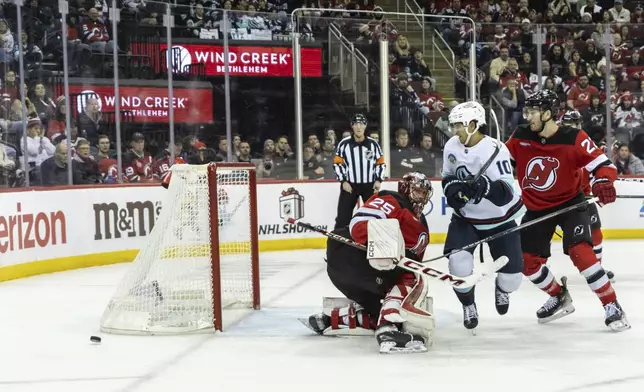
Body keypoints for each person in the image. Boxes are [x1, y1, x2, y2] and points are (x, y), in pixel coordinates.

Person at [506, 89, 629, 332]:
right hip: (536, 208)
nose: (527, 116)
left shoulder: (573, 137)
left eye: (533, 111)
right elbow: (501, 163)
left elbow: (603, 165)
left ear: (548, 114)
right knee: (527, 262)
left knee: (581, 252)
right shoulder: (520, 135)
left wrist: (603, 181)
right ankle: (558, 295)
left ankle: (612, 305)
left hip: (571, 203)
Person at [303, 172, 434, 354]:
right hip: (355, 258)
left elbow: (412, 261)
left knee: (389, 310)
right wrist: (383, 246)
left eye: (424, 194)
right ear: (406, 190)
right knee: (414, 279)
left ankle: (332, 320)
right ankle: (387, 331)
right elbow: (359, 224)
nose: (422, 198)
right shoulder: (393, 200)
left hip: (365, 277)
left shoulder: (422, 225)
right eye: (418, 192)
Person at [441, 101, 526, 331]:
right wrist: (451, 189)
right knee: (458, 264)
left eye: (458, 125)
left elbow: (507, 194)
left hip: (501, 219)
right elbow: (448, 176)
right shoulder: (451, 146)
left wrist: (487, 187)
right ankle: (468, 305)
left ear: (473, 124)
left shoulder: (497, 150)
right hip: (467, 218)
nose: (454, 130)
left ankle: (503, 288)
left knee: (513, 278)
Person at [561, 109, 615, 282]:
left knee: (596, 231)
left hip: (582, 197)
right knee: (542, 234)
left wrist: (598, 185)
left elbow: (596, 170)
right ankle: (538, 268)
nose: (571, 128)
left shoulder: (586, 145)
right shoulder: (556, 145)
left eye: (574, 124)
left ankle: (597, 268)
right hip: (557, 199)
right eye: (568, 124)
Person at [332, 114, 385, 229]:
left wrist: (378, 180)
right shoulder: (344, 143)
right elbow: (337, 163)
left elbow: (380, 163)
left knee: (375, 215)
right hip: (350, 185)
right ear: (352, 126)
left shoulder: (373, 144)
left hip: (369, 186)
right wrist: (343, 181)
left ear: (365, 126)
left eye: (362, 124)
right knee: (343, 217)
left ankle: (375, 241)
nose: (359, 127)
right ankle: (339, 244)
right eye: (356, 124)